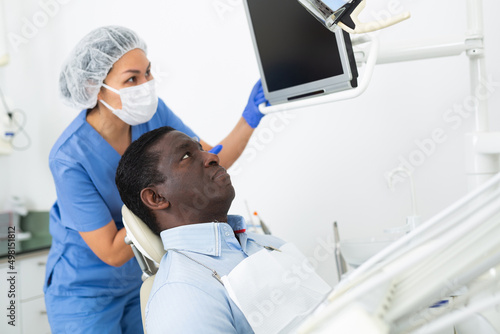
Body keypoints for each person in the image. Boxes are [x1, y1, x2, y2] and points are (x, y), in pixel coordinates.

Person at [44, 25, 268, 334]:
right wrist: (159, 205)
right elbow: (110, 250)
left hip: (140, 275)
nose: (146, 85)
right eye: (132, 79)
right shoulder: (69, 158)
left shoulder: (150, 114)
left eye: (148, 73)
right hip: (84, 291)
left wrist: (250, 117)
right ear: (95, 87)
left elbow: (207, 162)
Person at [115, 126, 332, 334]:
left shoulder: (266, 244)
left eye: (200, 149)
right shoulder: (181, 295)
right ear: (157, 197)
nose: (212, 157)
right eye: (186, 156)